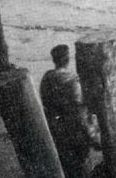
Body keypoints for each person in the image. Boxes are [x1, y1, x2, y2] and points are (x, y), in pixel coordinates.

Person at [40, 45, 99, 178]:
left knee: (66, 169)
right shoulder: (73, 82)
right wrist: (93, 136)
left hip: (56, 132)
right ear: (68, 59)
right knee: (83, 169)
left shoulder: (46, 78)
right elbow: (81, 114)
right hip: (75, 135)